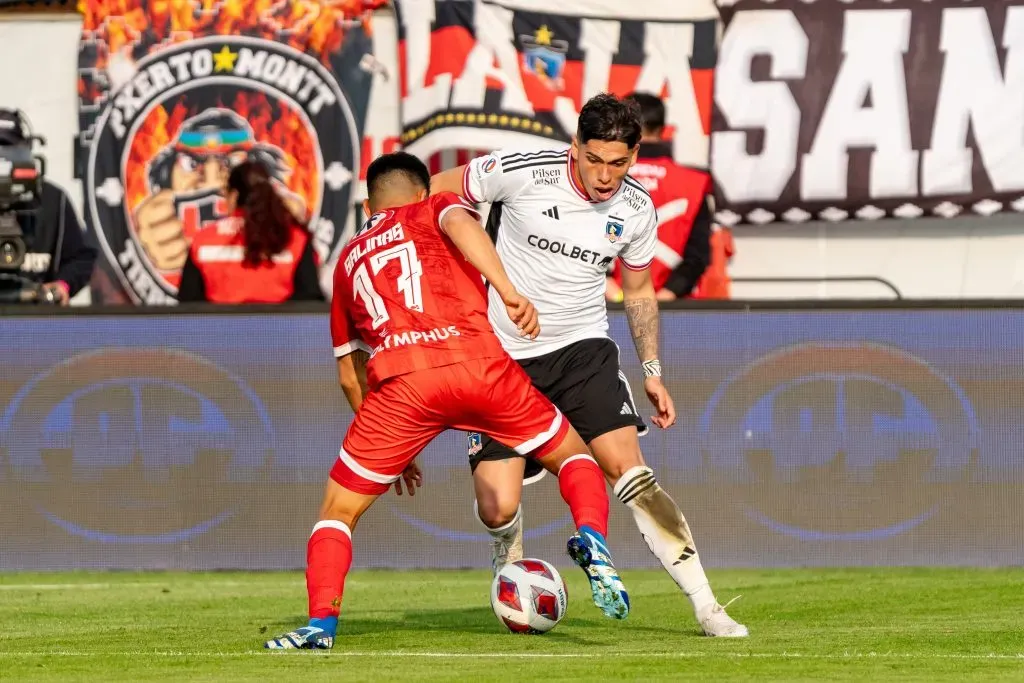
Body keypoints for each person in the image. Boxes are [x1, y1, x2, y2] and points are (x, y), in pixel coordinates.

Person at [264, 152, 629, 650]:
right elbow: (461, 223)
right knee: (572, 456)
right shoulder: (434, 207)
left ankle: (320, 626)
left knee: (337, 513)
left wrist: (399, 447)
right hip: (478, 364)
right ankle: (592, 536)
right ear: (421, 192)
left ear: (369, 205)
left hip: (403, 388)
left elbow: (350, 375)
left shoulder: (348, 261)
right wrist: (508, 290)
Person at [430, 93, 748, 637]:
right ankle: (510, 551)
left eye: (617, 163)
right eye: (594, 159)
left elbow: (640, 290)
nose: (604, 176)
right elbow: (436, 194)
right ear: (574, 146)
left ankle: (707, 605)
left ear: (634, 156)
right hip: (502, 355)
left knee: (633, 473)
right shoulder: (519, 169)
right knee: (496, 504)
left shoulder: (636, 209)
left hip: (583, 349)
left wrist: (651, 370)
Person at [605, 92, 711, 304]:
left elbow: (578, 246)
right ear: (663, 129)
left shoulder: (600, 177)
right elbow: (697, 257)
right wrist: (663, 298)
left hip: (606, 310)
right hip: (672, 313)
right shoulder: (694, 183)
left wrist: (617, 296)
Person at [177, 161, 323, 303]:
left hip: (218, 327)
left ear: (233, 196)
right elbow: (309, 299)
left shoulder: (204, 239)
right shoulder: (295, 238)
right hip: (279, 327)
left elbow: (188, 304)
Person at [0, 109, 96, 305]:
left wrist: (62, 285)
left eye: (9, 152)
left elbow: (82, 258)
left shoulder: (52, 200)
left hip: (36, 320)